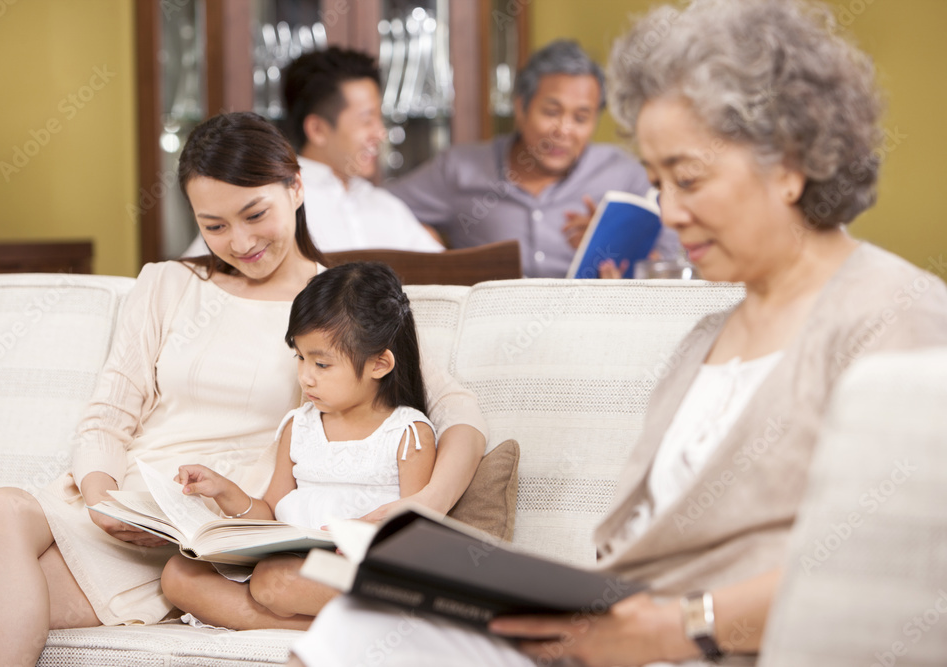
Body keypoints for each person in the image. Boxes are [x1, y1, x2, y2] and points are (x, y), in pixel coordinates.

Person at [288, 1, 947, 665]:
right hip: (630, 637)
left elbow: (880, 574)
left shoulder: (897, 316)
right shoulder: (707, 334)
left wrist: (683, 625)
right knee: (356, 625)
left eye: (687, 178)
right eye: (656, 181)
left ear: (790, 161)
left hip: (724, 648)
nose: (668, 210)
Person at [0, 112, 486, 667]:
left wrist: (423, 504)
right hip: (117, 506)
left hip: (202, 534)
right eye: (215, 225)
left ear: (296, 187)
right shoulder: (167, 283)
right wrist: (102, 498)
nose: (242, 242)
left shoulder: (336, 308)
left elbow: (456, 410)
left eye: (255, 214)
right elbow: (107, 416)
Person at [160, 261, 437, 629]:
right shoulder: (299, 425)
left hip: (358, 575)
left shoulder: (407, 433)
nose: (305, 376)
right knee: (178, 575)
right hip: (287, 567)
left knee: (276, 581)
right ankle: (327, 625)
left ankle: (366, 619)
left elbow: (418, 539)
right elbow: (269, 515)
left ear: (379, 364)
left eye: (322, 364)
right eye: (300, 358)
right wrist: (224, 490)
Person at [385, 39, 680, 278]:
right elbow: (377, 209)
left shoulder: (623, 173)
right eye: (551, 112)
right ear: (521, 108)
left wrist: (610, 245)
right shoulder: (459, 169)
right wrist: (430, 247)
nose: (564, 130)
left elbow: (674, 260)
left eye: (581, 117)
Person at [183, 48, 441, 258]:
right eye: (366, 120)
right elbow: (193, 279)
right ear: (317, 129)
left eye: (379, 118)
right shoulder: (271, 201)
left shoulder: (384, 206)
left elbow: (449, 275)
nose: (380, 133)